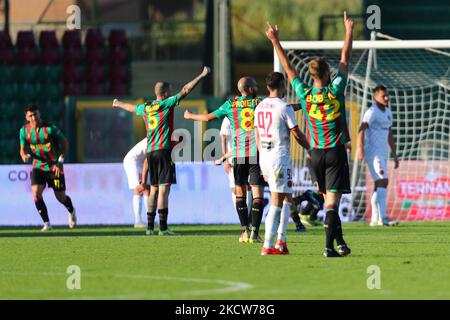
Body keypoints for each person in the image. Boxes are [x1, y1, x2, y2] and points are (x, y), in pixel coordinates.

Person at [267, 11, 353, 257]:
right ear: (327, 74)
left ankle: (341, 243)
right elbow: (345, 59)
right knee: (332, 204)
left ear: (312, 75)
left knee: (328, 201)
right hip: (335, 152)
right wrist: (348, 30)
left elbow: (288, 68)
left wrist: (275, 41)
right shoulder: (335, 89)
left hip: (314, 155)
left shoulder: (304, 94)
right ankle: (328, 247)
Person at [113, 66, 210, 235]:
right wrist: (202, 75)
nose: (172, 93)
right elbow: (186, 90)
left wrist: (117, 103)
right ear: (165, 94)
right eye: (170, 91)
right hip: (164, 150)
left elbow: (131, 108)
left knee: (154, 189)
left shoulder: (146, 106)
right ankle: (163, 228)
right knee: (164, 190)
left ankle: (150, 228)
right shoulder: (166, 104)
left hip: (150, 152)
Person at [184, 77, 265, 243]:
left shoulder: (230, 105)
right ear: (250, 89)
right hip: (256, 154)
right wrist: (302, 106)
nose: (257, 86)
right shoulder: (260, 102)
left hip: (239, 156)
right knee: (257, 194)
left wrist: (191, 115)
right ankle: (255, 232)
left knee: (240, 193)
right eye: (255, 85)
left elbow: (207, 118)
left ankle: (244, 231)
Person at [254, 72, 310, 255]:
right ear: (282, 85)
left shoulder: (260, 107)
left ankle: (281, 241)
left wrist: (262, 159)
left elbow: (257, 135)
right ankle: (268, 245)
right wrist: (310, 148)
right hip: (279, 156)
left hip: (264, 156)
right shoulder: (284, 107)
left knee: (287, 197)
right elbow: (296, 133)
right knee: (278, 199)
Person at [19, 104, 77, 231]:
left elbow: (65, 143)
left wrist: (60, 162)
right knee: (36, 193)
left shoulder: (50, 129)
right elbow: (22, 150)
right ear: (26, 117)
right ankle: (47, 223)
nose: (34, 117)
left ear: (39, 114)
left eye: (35, 114)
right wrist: (24, 155)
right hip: (38, 166)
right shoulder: (24, 131)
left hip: (54, 167)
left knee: (60, 197)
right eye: (30, 115)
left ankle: (71, 210)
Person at [357, 85, 400, 227]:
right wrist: (360, 148)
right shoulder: (372, 112)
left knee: (379, 184)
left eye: (387, 95)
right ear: (375, 97)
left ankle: (375, 219)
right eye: (383, 96)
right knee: (383, 180)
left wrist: (394, 154)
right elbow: (361, 129)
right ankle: (384, 217)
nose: (386, 98)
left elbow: (390, 135)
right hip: (372, 152)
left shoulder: (388, 112)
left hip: (383, 153)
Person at [217, 117, 253, 227]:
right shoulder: (229, 117)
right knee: (236, 189)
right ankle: (244, 220)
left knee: (249, 187)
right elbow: (223, 136)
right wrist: (225, 159)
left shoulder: (249, 113)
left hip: (250, 154)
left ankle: (248, 219)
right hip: (233, 157)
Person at [123, 137, 151, 228]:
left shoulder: (157, 138)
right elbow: (148, 159)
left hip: (140, 162)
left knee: (147, 189)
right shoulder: (152, 140)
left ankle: (150, 219)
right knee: (139, 188)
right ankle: (138, 220)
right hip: (132, 161)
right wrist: (143, 180)